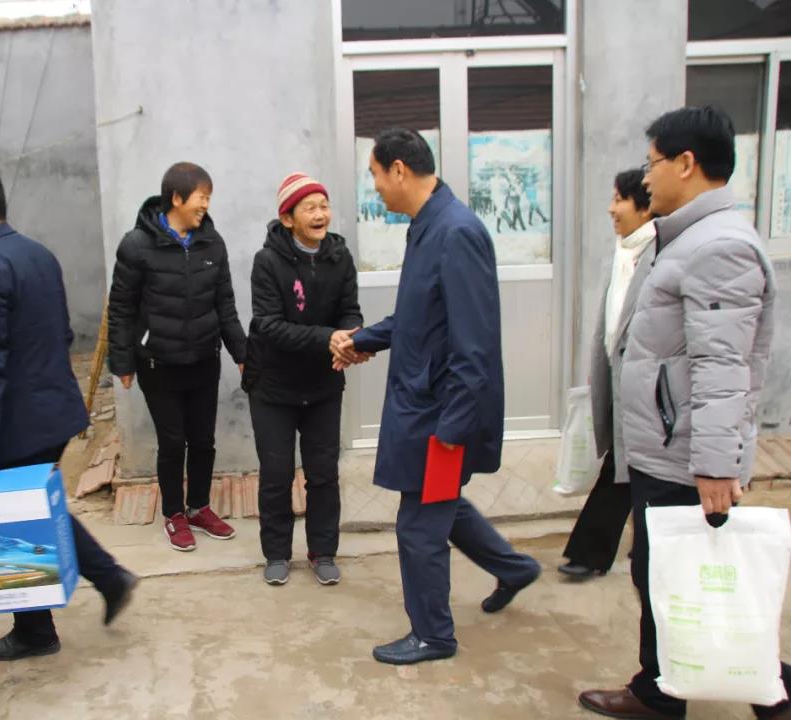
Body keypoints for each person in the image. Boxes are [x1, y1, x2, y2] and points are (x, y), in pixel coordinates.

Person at [579, 105, 789, 719]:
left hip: (685, 458)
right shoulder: (685, 237)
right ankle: (666, 689)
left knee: (688, 578)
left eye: (653, 164)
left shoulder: (718, 246)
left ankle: (752, 690)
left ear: (687, 163)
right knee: (661, 573)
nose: (646, 178)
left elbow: (723, 366)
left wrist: (717, 465)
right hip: (665, 448)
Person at [333, 128, 541, 666]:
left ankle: (433, 635)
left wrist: (453, 430)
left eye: (375, 175)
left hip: (441, 415)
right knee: (441, 507)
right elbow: (417, 316)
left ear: (399, 169)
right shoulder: (428, 226)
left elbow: (476, 345)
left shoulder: (456, 232)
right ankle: (515, 568)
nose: (375, 187)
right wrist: (361, 340)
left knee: (419, 525)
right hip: (425, 406)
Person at [0, 163, 137, 661]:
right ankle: (110, 579)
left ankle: (35, 630)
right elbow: (61, 334)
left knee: (12, 520)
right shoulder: (37, 255)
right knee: (37, 510)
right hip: (50, 410)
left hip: (17, 422)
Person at [107, 162, 247, 552]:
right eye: (201, 197)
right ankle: (174, 514)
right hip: (158, 363)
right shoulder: (137, 245)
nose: (205, 205)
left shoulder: (212, 244)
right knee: (172, 442)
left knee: (203, 440)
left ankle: (199, 507)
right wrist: (123, 362)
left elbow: (225, 306)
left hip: (204, 358)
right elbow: (121, 308)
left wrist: (242, 353)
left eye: (208, 198)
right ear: (177, 198)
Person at [243, 173, 362, 586]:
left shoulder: (340, 257)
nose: (320, 214)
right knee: (277, 475)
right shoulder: (267, 262)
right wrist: (328, 338)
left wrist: (351, 338)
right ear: (288, 218)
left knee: (323, 473)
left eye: (323, 206)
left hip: (323, 385)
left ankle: (323, 551)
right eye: (309, 207)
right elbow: (268, 325)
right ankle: (277, 553)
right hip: (272, 386)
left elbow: (350, 310)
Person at [559, 169, 656, 580]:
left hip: (649, 392)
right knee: (626, 467)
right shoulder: (623, 252)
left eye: (619, 199)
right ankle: (610, 550)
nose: (611, 208)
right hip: (620, 381)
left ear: (644, 207)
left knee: (627, 469)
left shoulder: (661, 253)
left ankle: (593, 552)